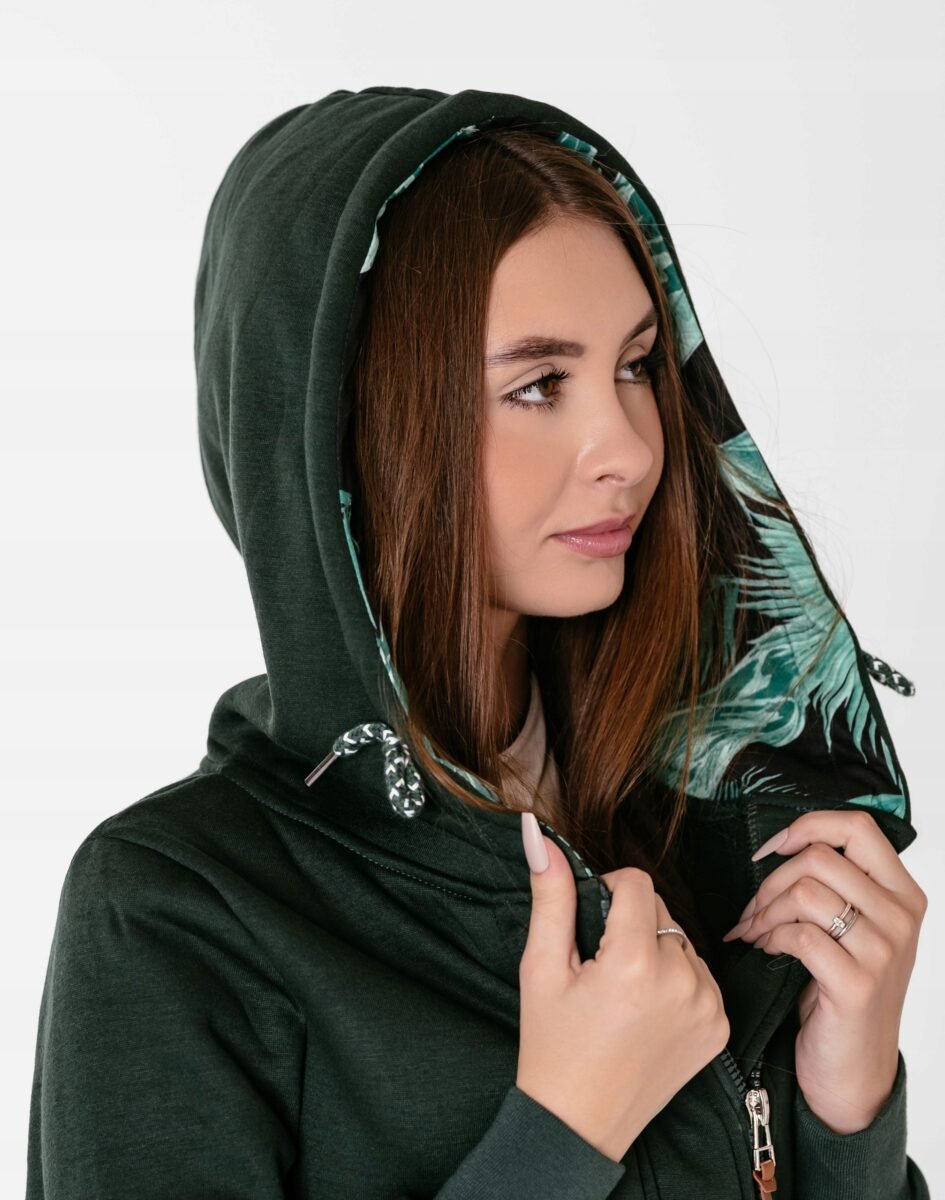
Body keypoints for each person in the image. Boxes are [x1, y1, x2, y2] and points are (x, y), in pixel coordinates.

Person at [24, 85, 929, 1200]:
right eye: (539, 384)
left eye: (637, 365)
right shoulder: (179, 909)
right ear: (347, 425)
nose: (629, 448)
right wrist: (564, 1131)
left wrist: (848, 1112)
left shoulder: (713, 827)